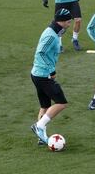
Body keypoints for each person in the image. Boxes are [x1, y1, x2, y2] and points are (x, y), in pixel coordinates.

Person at [30, 8, 72, 145]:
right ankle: (39, 126)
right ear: (62, 21)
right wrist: (51, 70)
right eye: (68, 21)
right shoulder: (51, 35)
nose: (70, 24)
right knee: (61, 102)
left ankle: (41, 136)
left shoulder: (55, 31)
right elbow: (41, 53)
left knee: (45, 106)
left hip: (37, 74)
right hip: (43, 76)